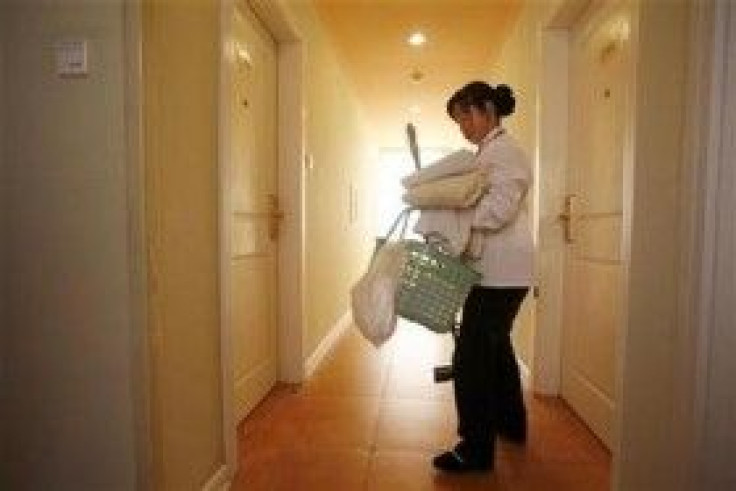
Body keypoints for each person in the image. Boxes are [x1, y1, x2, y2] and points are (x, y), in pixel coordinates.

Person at [432, 81, 534, 473]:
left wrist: (453, 216)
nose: (463, 128)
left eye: (464, 118)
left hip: (501, 273)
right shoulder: (493, 152)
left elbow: (499, 208)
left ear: (485, 109)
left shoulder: (504, 153)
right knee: (497, 348)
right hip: (502, 271)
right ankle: (511, 423)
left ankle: (474, 449)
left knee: (472, 357)